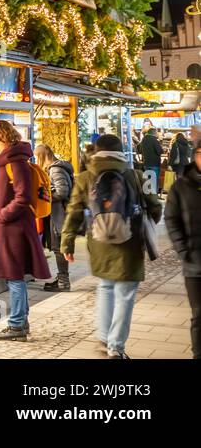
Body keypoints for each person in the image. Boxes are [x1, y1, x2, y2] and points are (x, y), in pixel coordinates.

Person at [62, 134, 163, 359]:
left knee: (105, 288)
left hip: (98, 243)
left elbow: (74, 211)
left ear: (96, 152)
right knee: (125, 294)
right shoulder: (136, 175)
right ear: (121, 151)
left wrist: (67, 242)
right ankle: (115, 347)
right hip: (130, 243)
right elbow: (155, 207)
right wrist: (145, 224)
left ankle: (104, 338)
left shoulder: (85, 177)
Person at [0, 119, 51, 342]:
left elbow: (23, 197)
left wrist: (2, 216)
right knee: (12, 276)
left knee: (14, 276)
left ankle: (17, 325)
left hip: (13, 229)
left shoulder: (16, 162)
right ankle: (21, 321)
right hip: (4, 229)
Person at [164, 140, 201, 358]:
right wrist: (182, 249)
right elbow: (171, 219)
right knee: (199, 314)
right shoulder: (181, 186)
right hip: (195, 263)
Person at [35, 143, 74, 292]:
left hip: (60, 214)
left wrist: (45, 195)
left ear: (42, 156)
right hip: (60, 213)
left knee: (59, 247)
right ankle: (62, 278)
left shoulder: (55, 169)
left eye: (37, 156)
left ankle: (63, 282)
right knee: (58, 247)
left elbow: (62, 192)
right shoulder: (58, 168)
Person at [137, 124, 164, 194]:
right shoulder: (154, 140)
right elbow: (159, 151)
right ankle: (154, 197)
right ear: (154, 133)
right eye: (156, 133)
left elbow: (138, 149)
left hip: (146, 163)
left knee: (147, 181)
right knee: (154, 181)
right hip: (154, 164)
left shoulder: (143, 140)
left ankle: (147, 197)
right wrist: (161, 146)